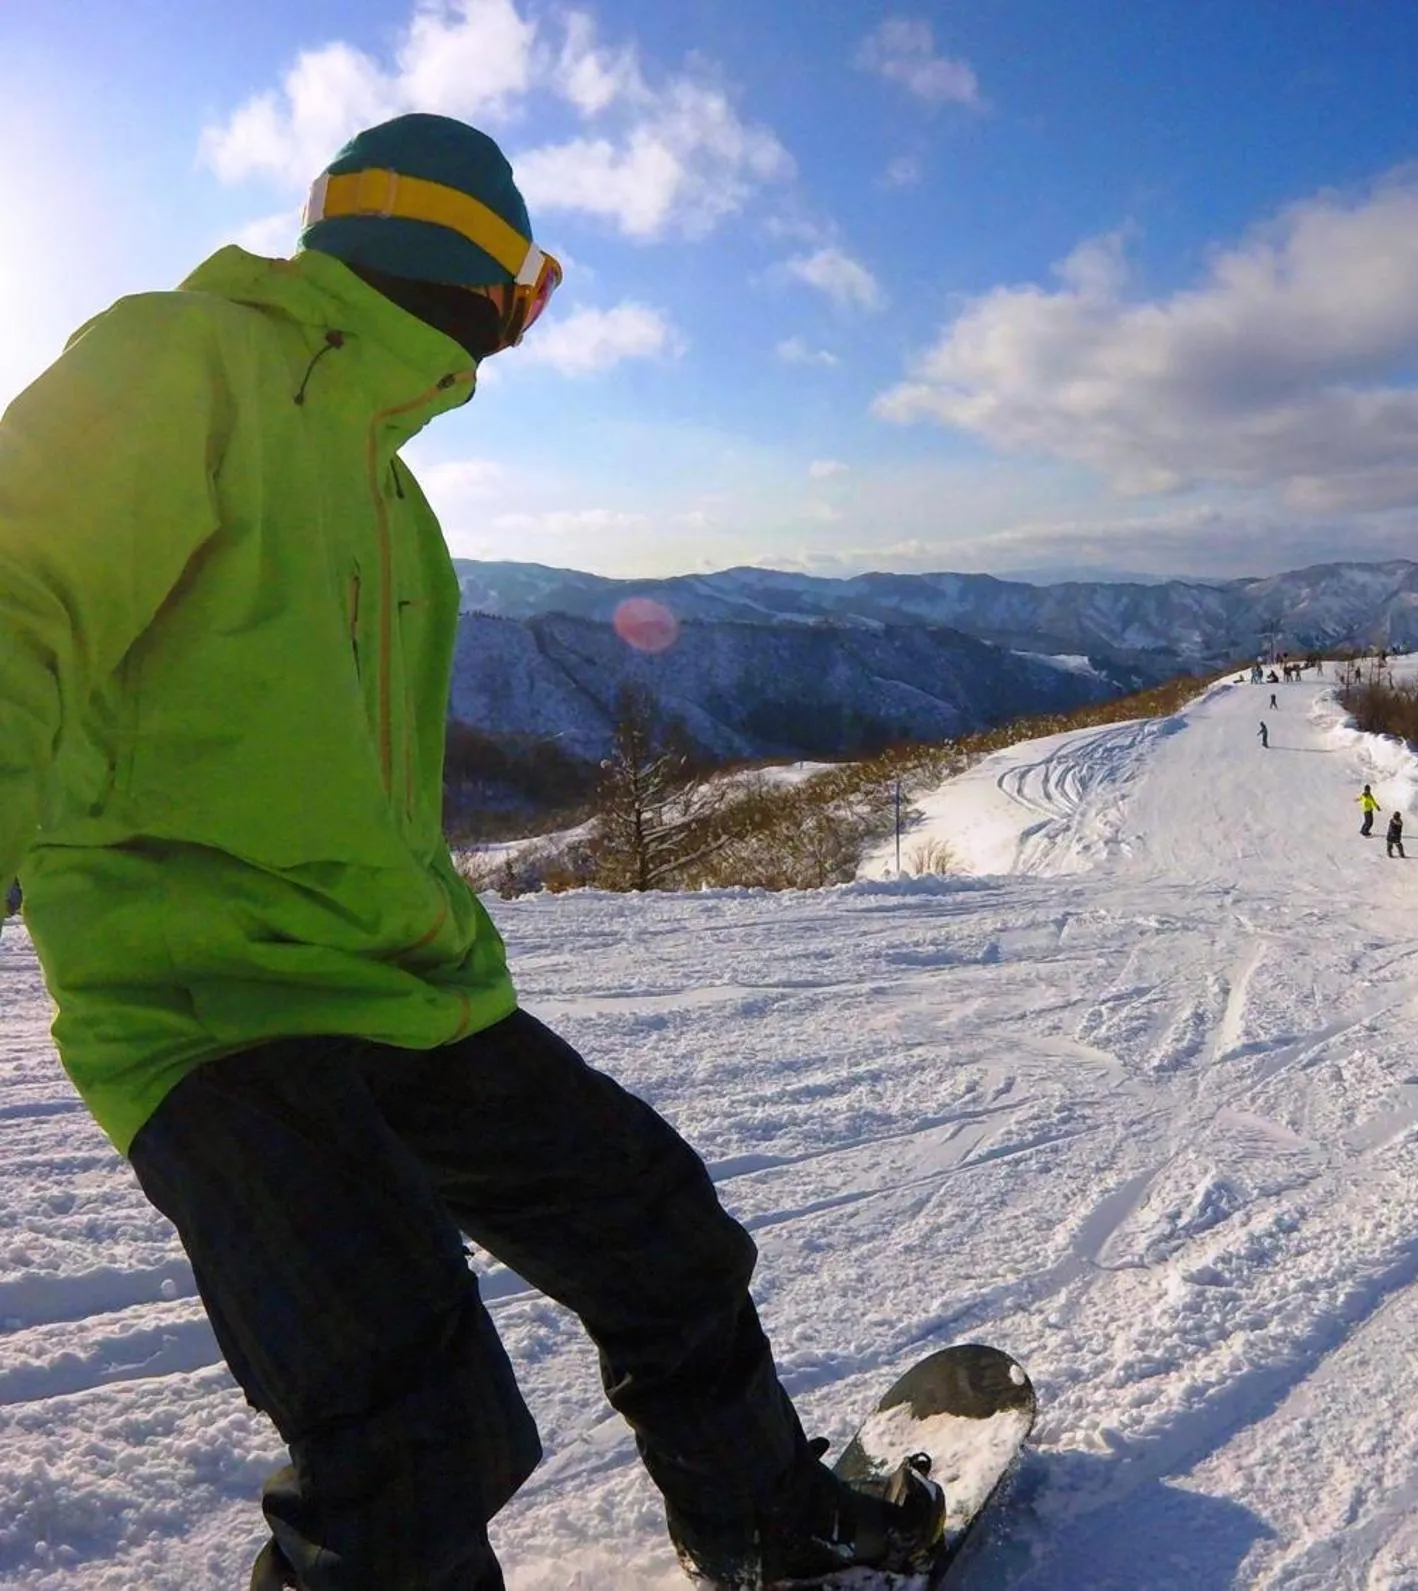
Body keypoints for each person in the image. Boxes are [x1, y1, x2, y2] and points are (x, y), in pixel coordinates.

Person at [0, 114, 941, 1591]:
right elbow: (14, 596)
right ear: (486, 278)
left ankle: (772, 1533)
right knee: (411, 1419)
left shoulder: (388, 490)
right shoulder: (180, 361)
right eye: (534, 288)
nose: (527, 325)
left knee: (663, 1238)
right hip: (209, 1005)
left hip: (405, 983)